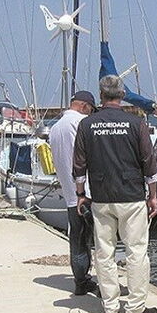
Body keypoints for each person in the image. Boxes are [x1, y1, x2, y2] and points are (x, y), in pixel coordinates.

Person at [72, 75, 157, 313]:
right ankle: (135, 307)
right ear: (122, 95)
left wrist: (81, 194)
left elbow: (79, 165)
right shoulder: (136, 123)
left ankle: (109, 306)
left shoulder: (87, 125)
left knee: (104, 252)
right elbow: (148, 163)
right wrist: (153, 196)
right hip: (131, 197)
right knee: (136, 252)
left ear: (101, 95)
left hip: (101, 198)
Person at [48, 90, 97, 296]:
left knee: (77, 240)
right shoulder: (80, 123)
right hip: (85, 190)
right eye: (91, 111)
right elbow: (89, 154)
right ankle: (98, 283)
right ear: (85, 106)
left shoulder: (55, 128)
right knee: (98, 240)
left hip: (69, 192)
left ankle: (80, 280)